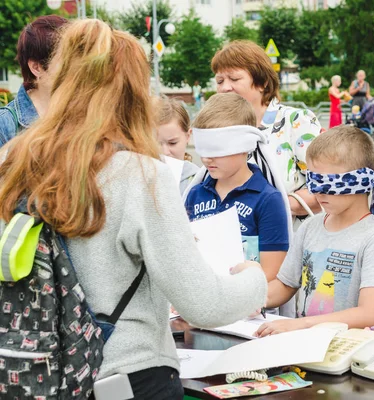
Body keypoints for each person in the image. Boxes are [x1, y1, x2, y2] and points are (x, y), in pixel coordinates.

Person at [0, 20, 267, 398]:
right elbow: (204, 303)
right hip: (127, 378)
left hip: (36, 373)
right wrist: (254, 280)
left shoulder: (11, 160)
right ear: (132, 92)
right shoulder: (138, 174)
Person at [254, 125, 374, 337]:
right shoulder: (310, 227)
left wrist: (300, 325)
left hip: (348, 352)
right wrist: (249, 300)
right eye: (313, 180)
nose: (317, 191)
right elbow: (285, 284)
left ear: (359, 181)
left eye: (328, 182)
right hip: (307, 344)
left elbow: (368, 314)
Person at [210, 40, 322, 220]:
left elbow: (326, 189)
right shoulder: (220, 129)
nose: (224, 87)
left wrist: (267, 207)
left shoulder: (295, 121)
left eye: (234, 79)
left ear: (262, 82)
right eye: (219, 81)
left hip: (290, 241)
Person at [185, 93, 290, 282]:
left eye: (216, 149)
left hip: (250, 307)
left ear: (244, 146)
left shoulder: (268, 200)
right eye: (203, 148)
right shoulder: (195, 194)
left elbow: (272, 276)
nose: (207, 158)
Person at [0, 15, 68, 145]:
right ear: (36, 68)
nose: (77, 67)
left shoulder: (84, 115)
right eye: (66, 61)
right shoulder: (5, 125)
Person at [155, 95, 199, 195]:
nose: (165, 152)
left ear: (188, 136)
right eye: (157, 143)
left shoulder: (199, 180)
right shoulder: (139, 178)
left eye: (172, 143)